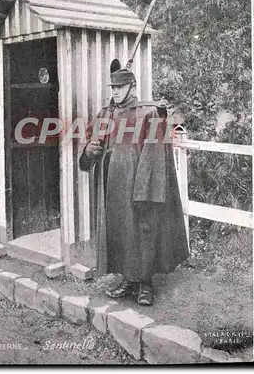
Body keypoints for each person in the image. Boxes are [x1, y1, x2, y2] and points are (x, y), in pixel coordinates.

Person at [79, 68, 189, 305]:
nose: (116, 92)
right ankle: (129, 280)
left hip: (138, 183)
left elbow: (154, 152)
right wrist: (88, 150)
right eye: (113, 88)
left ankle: (146, 285)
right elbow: (90, 142)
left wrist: (144, 189)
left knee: (143, 229)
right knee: (121, 231)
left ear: (133, 87)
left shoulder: (148, 113)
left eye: (120, 87)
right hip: (112, 183)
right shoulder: (105, 114)